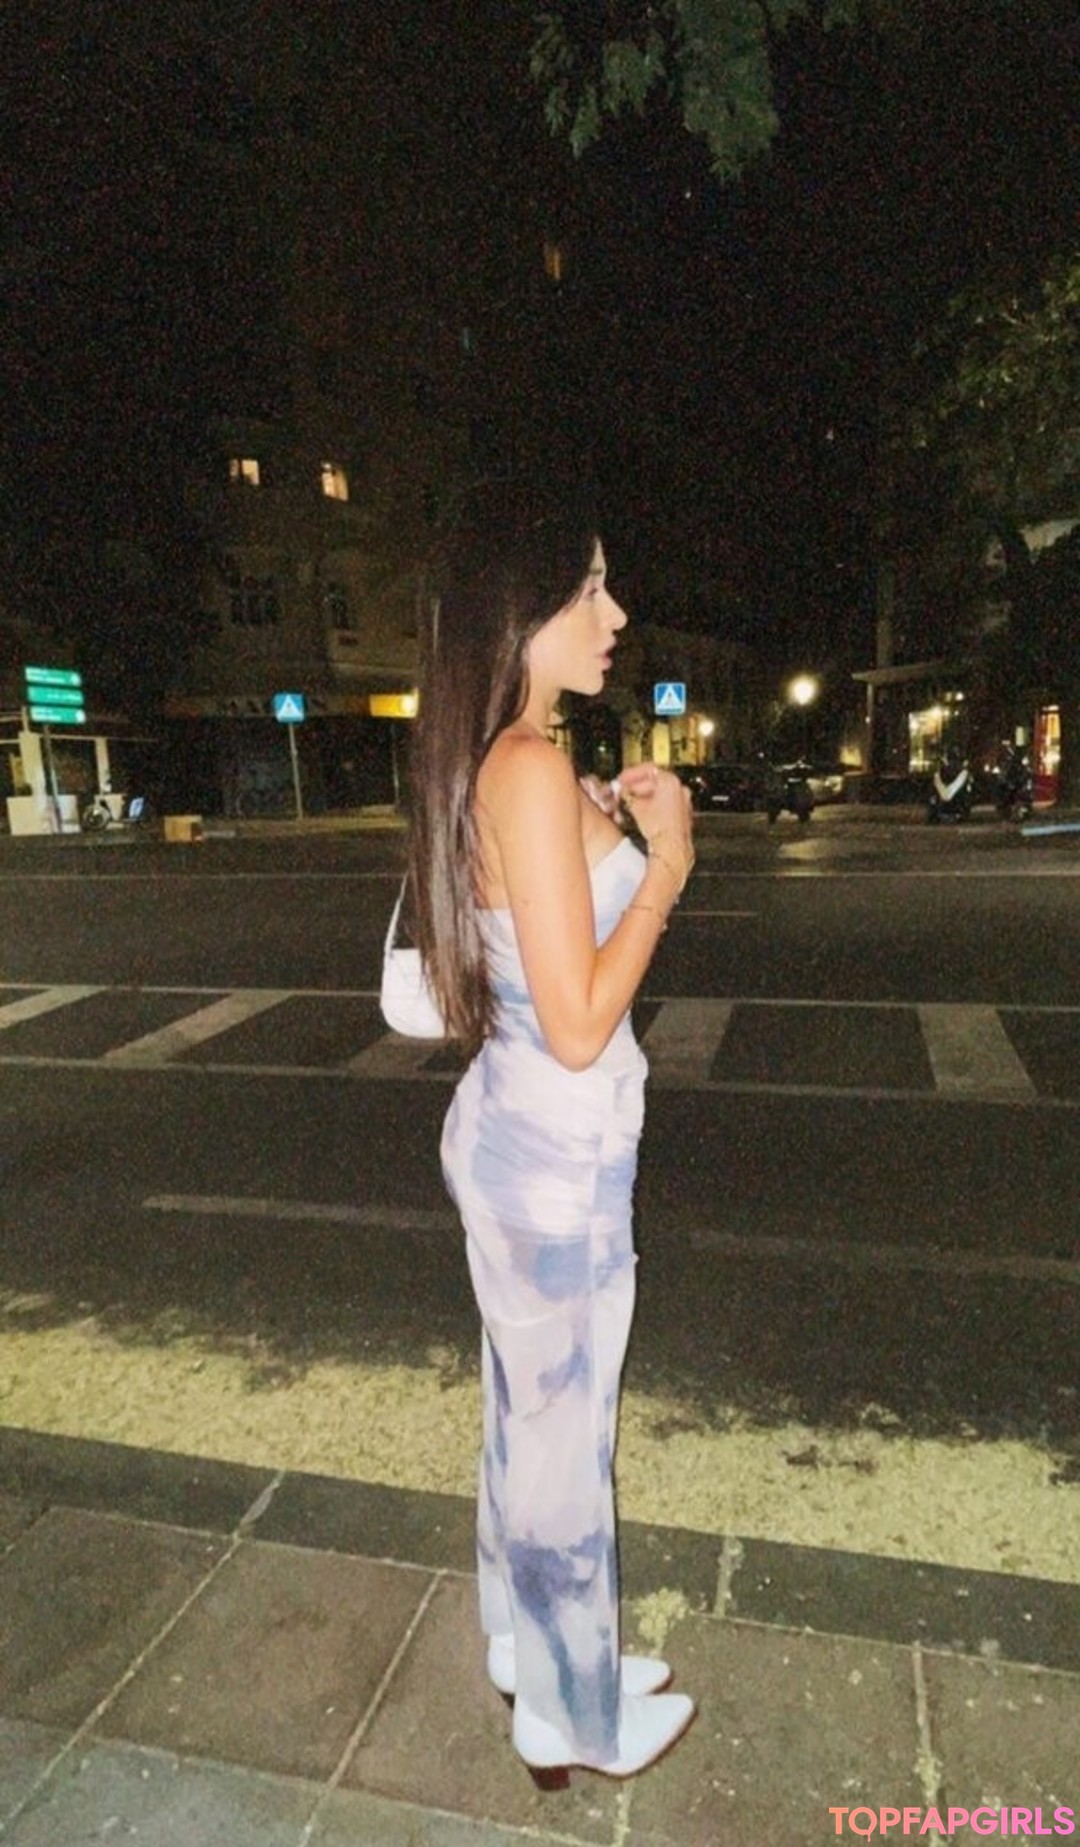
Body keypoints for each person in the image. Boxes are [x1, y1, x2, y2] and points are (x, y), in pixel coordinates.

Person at [407, 485, 696, 1785]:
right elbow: (579, 1022)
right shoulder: (522, 767)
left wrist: (603, 830)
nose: (615, 612)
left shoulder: (512, 758)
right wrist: (666, 867)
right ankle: (573, 1715)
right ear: (521, 611)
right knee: (564, 1448)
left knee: (528, 1422)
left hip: (526, 1139)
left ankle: (533, 1653)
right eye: (589, 588)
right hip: (555, 1158)